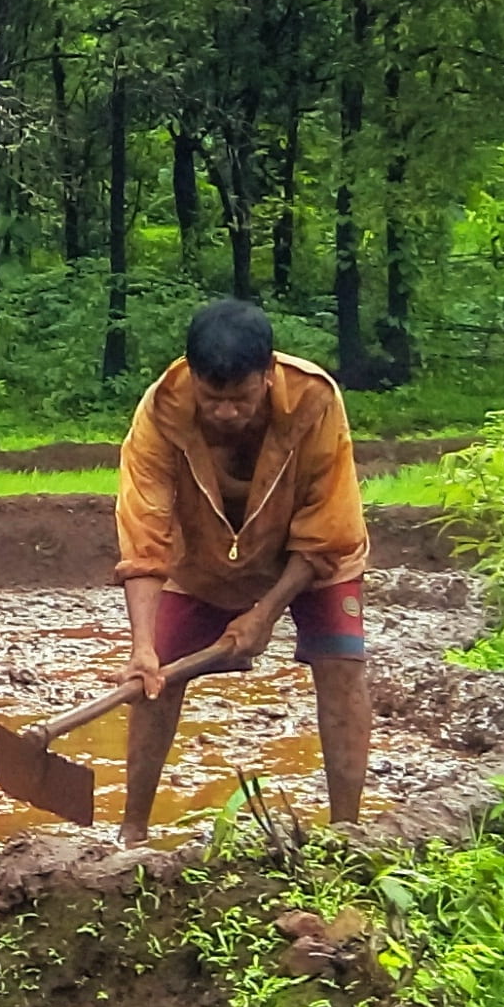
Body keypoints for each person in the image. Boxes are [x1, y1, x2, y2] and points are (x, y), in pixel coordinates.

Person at [109, 297, 371, 844]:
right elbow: (144, 534)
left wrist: (264, 614)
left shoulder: (314, 400)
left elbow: (327, 527)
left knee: (341, 662)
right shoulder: (161, 413)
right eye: (212, 399)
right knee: (155, 678)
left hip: (311, 558)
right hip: (204, 555)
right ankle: (131, 834)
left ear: (268, 377)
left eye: (242, 399)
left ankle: (348, 834)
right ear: (193, 380)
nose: (227, 413)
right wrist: (140, 647)